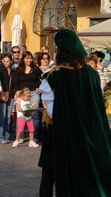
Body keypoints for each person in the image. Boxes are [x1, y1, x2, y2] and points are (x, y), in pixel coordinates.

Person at [38, 29, 111, 197]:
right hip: (89, 135)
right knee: (86, 173)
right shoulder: (93, 75)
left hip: (59, 135)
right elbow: (96, 105)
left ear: (60, 51)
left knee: (49, 176)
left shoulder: (53, 76)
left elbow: (52, 110)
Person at [12, 51, 43, 143]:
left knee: (35, 114)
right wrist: (17, 92)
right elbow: (15, 81)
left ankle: (34, 137)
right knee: (21, 115)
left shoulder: (36, 68)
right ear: (23, 59)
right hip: (22, 94)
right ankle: (20, 137)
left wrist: (40, 87)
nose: (29, 60)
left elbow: (43, 78)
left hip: (33, 93)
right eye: (27, 58)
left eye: (30, 58)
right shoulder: (19, 69)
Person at [0, 54, 13, 144]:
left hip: (11, 95)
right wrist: (0, 93)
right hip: (2, 95)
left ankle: (7, 136)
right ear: (2, 61)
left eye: (8, 61)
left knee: (9, 117)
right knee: (2, 117)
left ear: (11, 62)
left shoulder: (13, 71)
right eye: (4, 61)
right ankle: (0, 136)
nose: (6, 63)